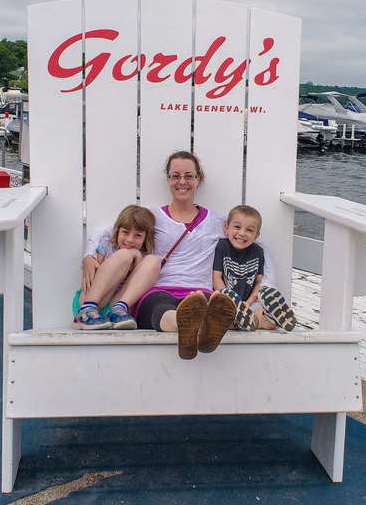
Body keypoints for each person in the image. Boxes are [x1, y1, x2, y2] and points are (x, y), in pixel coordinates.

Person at [81, 150, 278, 359]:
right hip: (159, 289)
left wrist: (267, 287)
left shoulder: (217, 222)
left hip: (200, 292)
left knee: (209, 308)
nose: (182, 181)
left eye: (189, 176)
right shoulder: (153, 217)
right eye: (175, 176)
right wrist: (89, 256)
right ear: (168, 179)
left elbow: (259, 247)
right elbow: (105, 232)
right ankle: (185, 325)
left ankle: (197, 325)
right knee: (163, 309)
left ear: (198, 179)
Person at [213, 205, 296, 332]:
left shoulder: (257, 251)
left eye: (249, 230)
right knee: (221, 315)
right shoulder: (222, 247)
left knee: (262, 318)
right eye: (237, 227)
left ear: (256, 235)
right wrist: (229, 299)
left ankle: (273, 318)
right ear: (226, 228)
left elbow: (258, 281)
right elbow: (216, 277)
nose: (242, 233)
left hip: (249, 303)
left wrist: (249, 302)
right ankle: (238, 321)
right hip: (227, 302)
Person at [72, 204, 156, 330]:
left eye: (138, 235)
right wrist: (129, 255)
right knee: (124, 255)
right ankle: (86, 311)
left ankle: (118, 310)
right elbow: (96, 276)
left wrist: (137, 258)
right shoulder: (106, 245)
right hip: (91, 299)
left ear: (145, 238)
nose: (129, 240)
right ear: (117, 231)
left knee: (153, 261)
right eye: (125, 232)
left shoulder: (144, 256)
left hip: (116, 307)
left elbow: (136, 284)